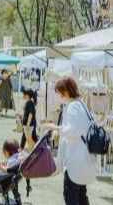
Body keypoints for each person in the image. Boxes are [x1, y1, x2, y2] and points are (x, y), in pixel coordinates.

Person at [43, 76, 95, 205]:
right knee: (81, 195)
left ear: (66, 91)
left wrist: (56, 128)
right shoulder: (81, 104)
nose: (60, 96)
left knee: (71, 195)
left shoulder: (73, 106)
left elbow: (74, 130)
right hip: (84, 157)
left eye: (60, 92)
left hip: (75, 159)